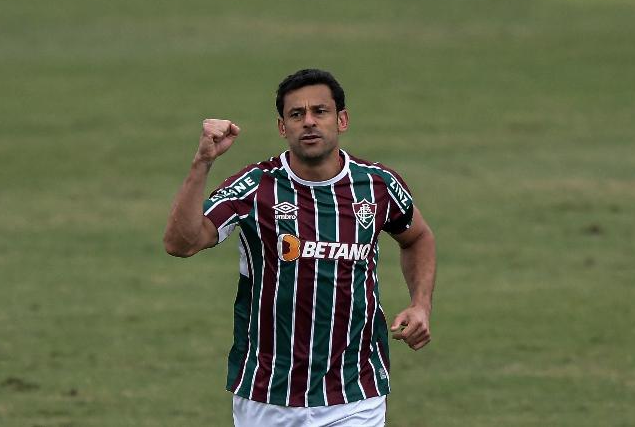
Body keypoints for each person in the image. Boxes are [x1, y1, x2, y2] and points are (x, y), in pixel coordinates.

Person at [163, 68, 436, 427]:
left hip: (355, 392)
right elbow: (181, 243)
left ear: (342, 120)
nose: (308, 122)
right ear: (282, 127)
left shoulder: (376, 185)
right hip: (268, 396)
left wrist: (420, 304)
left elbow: (416, 237)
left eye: (319, 111)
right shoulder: (255, 187)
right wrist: (203, 163)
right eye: (296, 114)